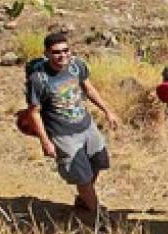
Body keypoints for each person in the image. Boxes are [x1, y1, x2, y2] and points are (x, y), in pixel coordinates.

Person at [24, 31, 120, 223]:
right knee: (81, 177)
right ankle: (98, 216)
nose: (62, 56)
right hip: (63, 134)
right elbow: (34, 112)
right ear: (47, 53)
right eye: (56, 52)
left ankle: (84, 199)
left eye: (65, 51)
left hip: (86, 125)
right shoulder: (38, 79)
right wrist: (45, 142)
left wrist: (107, 110)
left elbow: (88, 88)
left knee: (98, 162)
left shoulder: (76, 66)